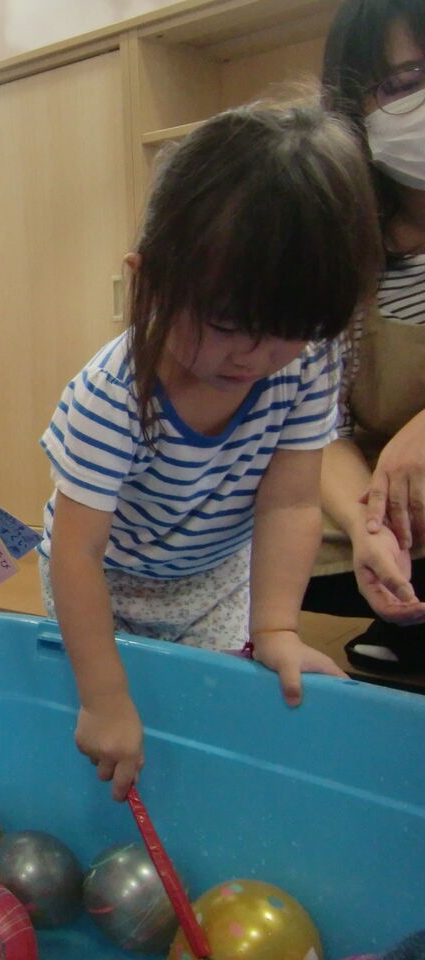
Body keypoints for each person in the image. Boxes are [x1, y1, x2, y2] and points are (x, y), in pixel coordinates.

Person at [38, 102, 382, 801]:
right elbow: (77, 552)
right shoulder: (114, 395)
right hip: (108, 579)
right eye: (226, 324)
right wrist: (104, 697)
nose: (254, 356)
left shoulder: (305, 361)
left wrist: (277, 627)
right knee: (109, 723)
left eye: (288, 329)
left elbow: (289, 502)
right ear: (147, 285)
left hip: (214, 579)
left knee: (199, 715)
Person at [304, 0, 425, 675]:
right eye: (405, 84)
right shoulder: (346, 247)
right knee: (262, 517)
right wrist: (365, 525)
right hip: (385, 492)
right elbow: (319, 425)